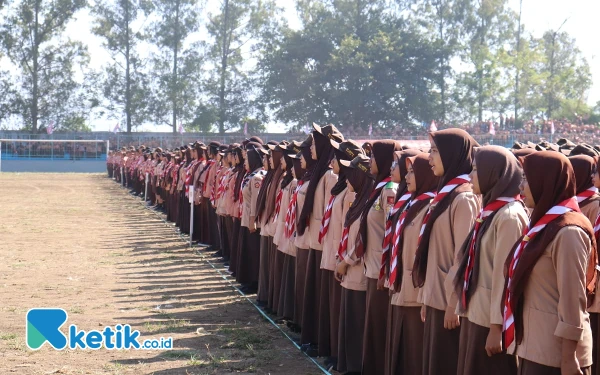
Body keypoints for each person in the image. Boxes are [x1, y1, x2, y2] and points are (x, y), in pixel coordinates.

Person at [503, 151, 596, 375]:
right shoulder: (544, 224)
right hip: (535, 346)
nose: (521, 186)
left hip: (556, 356)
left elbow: (573, 298)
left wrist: (568, 357)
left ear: (545, 181)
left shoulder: (568, 231)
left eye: (527, 178)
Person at [453, 145, 528, 375]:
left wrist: (497, 326)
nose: (470, 176)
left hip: (489, 319)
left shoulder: (509, 216)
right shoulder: (491, 211)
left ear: (493, 173)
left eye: (476, 169)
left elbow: (505, 277)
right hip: (475, 310)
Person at [412, 128, 480, 375]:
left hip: (448, 302)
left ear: (452, 154)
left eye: (435, 151)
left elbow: (463, 257)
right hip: (435, 296)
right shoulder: (445, 194)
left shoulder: (464, 198)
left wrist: (453, 303)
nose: (429, 158)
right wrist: (425, 297)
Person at [384, 152, 438, 375]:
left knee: (414, 351)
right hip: (400, 285)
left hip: (415, 291)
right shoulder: (410, 202)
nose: (407, 176)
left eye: (413, 171)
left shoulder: (430, 206)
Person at [318, 139, 364, 369]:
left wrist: (342, 258)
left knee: (340, 309)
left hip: (342, 257)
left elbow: (352, 231)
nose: (333, 163)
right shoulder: (341, 188)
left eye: (338, 160)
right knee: (333, 307)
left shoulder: (351, 192)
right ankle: (334, 351)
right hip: (333, 252)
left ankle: (339, 354)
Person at [359, 140, 402, 374]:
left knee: (378, 323)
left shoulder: (389, 191)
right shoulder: (378, 187)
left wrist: (385, 269)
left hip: (380, 268)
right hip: (372, 264)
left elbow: (390, 231)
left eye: (374, 157)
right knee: (373, 324)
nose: (370, 161)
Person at [299, 124, 343, 355]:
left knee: (320, 295)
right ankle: (313, 338)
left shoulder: (329, 174)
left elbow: (330, 214)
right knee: (313, 293)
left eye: (315, 143)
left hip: (323, 241)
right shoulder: (319, 171)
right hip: (314, 241)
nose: (312, 148)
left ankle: (319, 342)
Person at [335, 154, 374, 375]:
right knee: (349, 320)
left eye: (350, 175)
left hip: (358, 270)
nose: (346, 180)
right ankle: (349, 366)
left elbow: (363, 239)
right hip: (349, 268)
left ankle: (356, 367)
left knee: (358, 322)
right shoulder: (359, 198)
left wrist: (346, 262)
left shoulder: (370, 201)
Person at [236, 143, 266, 293]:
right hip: (246, 217)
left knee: (253, 251)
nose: (245, 162)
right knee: (248, 250)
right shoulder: (251, 175)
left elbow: (255, 202)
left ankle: (254, 282)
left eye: (247, 160)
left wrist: (252, 221)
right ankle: (248, 280)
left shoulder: (257, 178)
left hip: (252, 220)